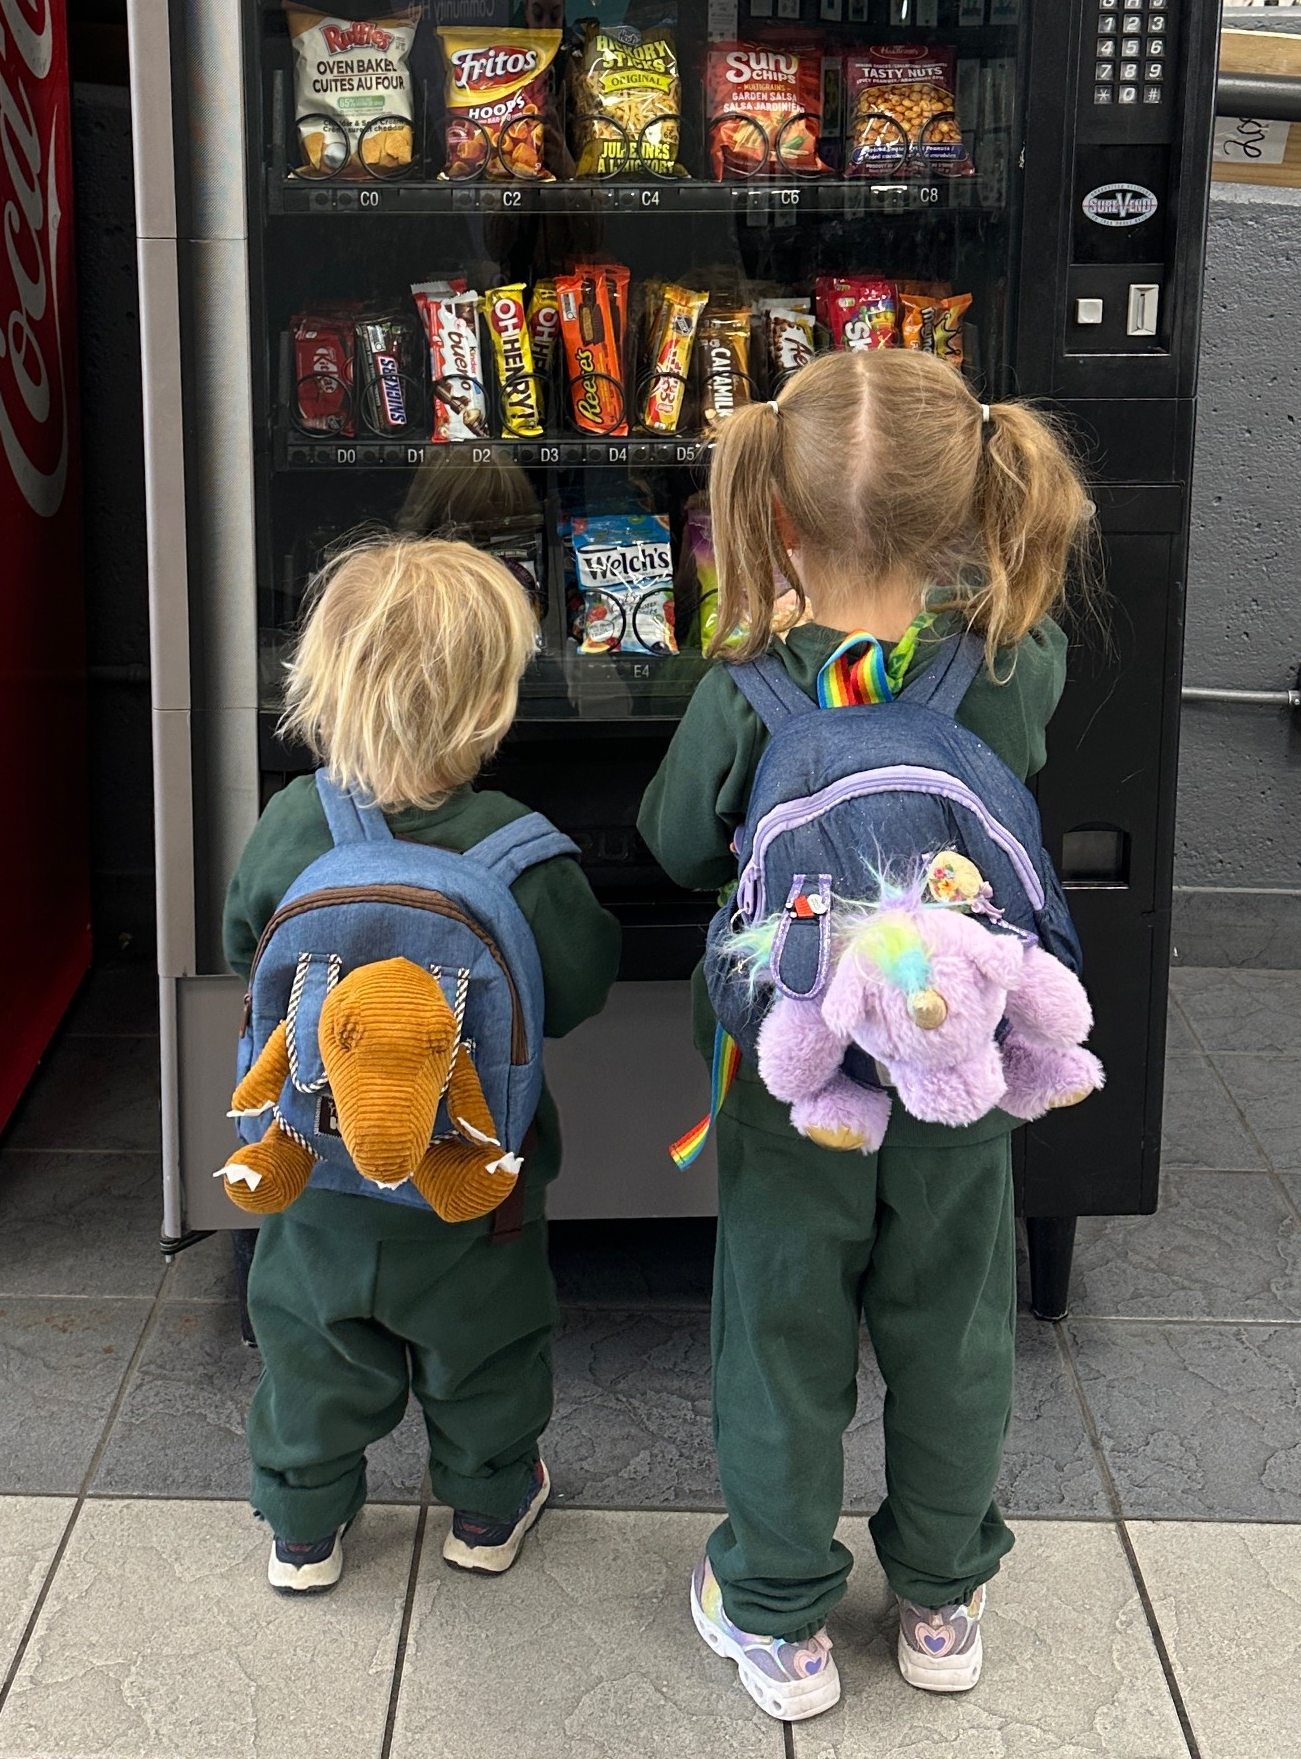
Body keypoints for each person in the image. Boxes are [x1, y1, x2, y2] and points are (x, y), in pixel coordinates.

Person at [638, 351, 1093, 1720]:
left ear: (774, 513)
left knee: (782, 1331)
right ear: (971, 504)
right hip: (963, 1069)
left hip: (799, 1072)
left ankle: (779, 1614)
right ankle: (941, 1599)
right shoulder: (1016, 659)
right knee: (952, 1327)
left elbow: (672, 848)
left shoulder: (747, 683)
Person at [225, 536, 621, 1594]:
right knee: (488, 1354)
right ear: (493, 705)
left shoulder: (289, 824)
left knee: (310, 1349)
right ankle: (488, 1507)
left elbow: (242, 947)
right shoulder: (521, 850)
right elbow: (577, 988)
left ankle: (305, 1524)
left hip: (314, 1186)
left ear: (322, 681)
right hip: (474, 1194)